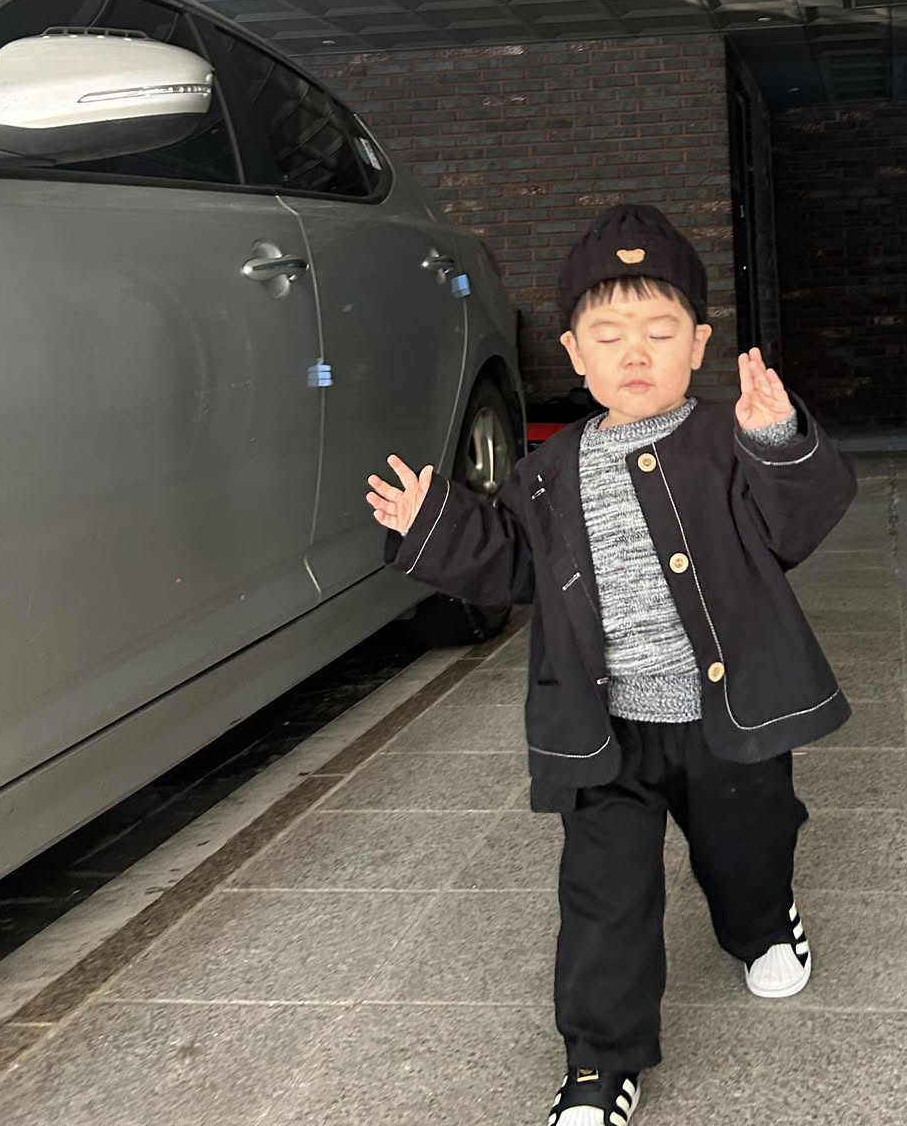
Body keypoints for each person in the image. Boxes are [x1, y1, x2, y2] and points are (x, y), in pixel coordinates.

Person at [367, 201, 857, 1126]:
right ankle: (600, 1062)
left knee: (747, 851)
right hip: (604, 732)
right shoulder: (548, 471)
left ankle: (763, 921)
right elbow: (515, 564)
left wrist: (776, 441)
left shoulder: (728, 441)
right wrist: (436, 527)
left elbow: (795, 527)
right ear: (575, 353)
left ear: (699, 344)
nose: (636, 353)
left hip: (727, 723)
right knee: (604, 899)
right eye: (608, 335)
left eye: (660, 332)